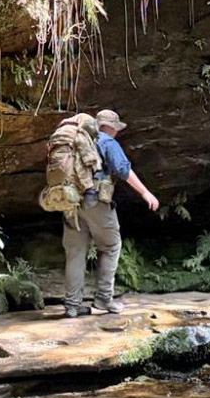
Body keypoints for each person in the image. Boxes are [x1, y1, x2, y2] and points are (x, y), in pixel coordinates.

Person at [63, 110, 158, 317]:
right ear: (112, 128)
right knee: (111, 245)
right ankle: (104, 299)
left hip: (70, 203)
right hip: (95, 201)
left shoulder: (73, 140)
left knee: (76, 252)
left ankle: (72, 305)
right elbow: (123, 170)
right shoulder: (106, 141)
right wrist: (145, 192)